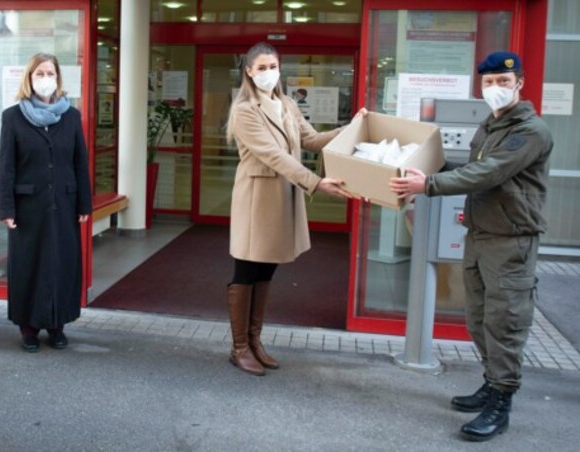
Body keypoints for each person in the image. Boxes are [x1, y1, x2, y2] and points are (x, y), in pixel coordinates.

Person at [389, 51, 552, 442]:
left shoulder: (530, 131)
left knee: (505, 322)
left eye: (502, 82)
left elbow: (489, 172)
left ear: (520, 84)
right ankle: (491, 383)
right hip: (480, 235)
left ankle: (502, 400)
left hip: (511, 241)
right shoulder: (491, 125)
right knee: (479, 319)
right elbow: (467, 166)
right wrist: (429, 169)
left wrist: (427, 185)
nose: (495, 88)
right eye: (489, 82)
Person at [224, 42, 365, 376]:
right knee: (246, 270)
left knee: (267, 270)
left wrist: (353, 129)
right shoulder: (245, 110)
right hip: (258, 198)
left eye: (273, 66)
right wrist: (316, 182)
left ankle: (255, 341)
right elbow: (273, 155)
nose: (268, 73)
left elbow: (311, 140)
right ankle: (239, 347)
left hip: (283, 195)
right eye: (261, 68)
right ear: (248, 71)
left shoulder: (285, 103)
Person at [0, 53, 92, 353]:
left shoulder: (71, 116)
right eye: (40, 73)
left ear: (58, 79)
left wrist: (84, 204)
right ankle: (28, 328)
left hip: (64, 204)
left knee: (61, 264)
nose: (45, 78)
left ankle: (57, 325)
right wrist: (6, 207)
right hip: (28, 208)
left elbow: (80, 163)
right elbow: (6, 166)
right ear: (29, 77)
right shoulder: (12, 117)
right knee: (30, 265)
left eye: (50, 73)